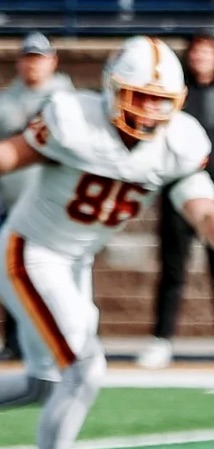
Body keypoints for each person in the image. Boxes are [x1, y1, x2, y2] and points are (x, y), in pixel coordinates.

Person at [0, 36, 214, 449]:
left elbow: (202, 206)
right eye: (140, 94)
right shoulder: (74, 119)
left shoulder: (180, 142)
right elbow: (10, 155)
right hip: (31, 252)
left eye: (160, 99)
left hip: (76, 261)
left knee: (47, 384)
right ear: (112, 88)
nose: (149, 109)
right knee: (85, 369)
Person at [137, 32, 214, 370]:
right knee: (173, 267)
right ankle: (161, 340)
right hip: (179, 190)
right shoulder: (175, 95)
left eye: (208, 51)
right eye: (196, 51)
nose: (201, 57)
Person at [0, 33, 72, 363]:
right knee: (11, 277)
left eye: (39, 57)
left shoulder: (67, 101)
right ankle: (18, 343)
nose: (33, 64)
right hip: (9, 203)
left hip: (54, 208)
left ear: (52, 61)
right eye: (28, 57)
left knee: (52, 277)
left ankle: (61, 341)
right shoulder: (5, 100)